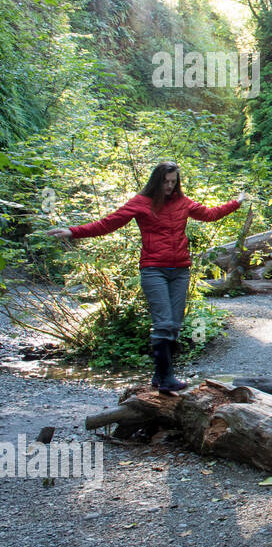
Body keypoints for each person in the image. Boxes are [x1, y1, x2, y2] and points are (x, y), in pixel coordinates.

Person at [48, 161, 248, 391]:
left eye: (173, 182)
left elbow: (210, 214)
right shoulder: (141, 203)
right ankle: (165, 379)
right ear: (157, 180)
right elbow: (107, 224)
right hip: (154, 270)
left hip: (180, 271)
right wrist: (73, 232)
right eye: (166, 182)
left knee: (174, 325)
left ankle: (158, 376)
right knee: (163, 322)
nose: (170, 187)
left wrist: (236, 203)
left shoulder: (183, 202)